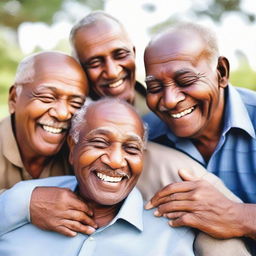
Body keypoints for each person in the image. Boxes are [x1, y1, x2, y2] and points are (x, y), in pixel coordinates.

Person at [0, 12, 251, 255]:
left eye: (119, 54)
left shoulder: (157, 134)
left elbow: (212, 214)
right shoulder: (75, 122)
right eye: (95, 62)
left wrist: (236, 216)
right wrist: (24, 202)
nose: (111, 71)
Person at [0, 98, 197, 256]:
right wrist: (21, 204)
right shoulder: (24, 200)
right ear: (72, 147)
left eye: (131, 148)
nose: (116, 160)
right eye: (100, 142)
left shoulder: (172, 236)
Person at [143, 22, 256, 248]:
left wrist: (239, 216)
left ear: (221, 72)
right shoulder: (143, 136)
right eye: (154, 87)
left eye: (186, 81)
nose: (169, 100)